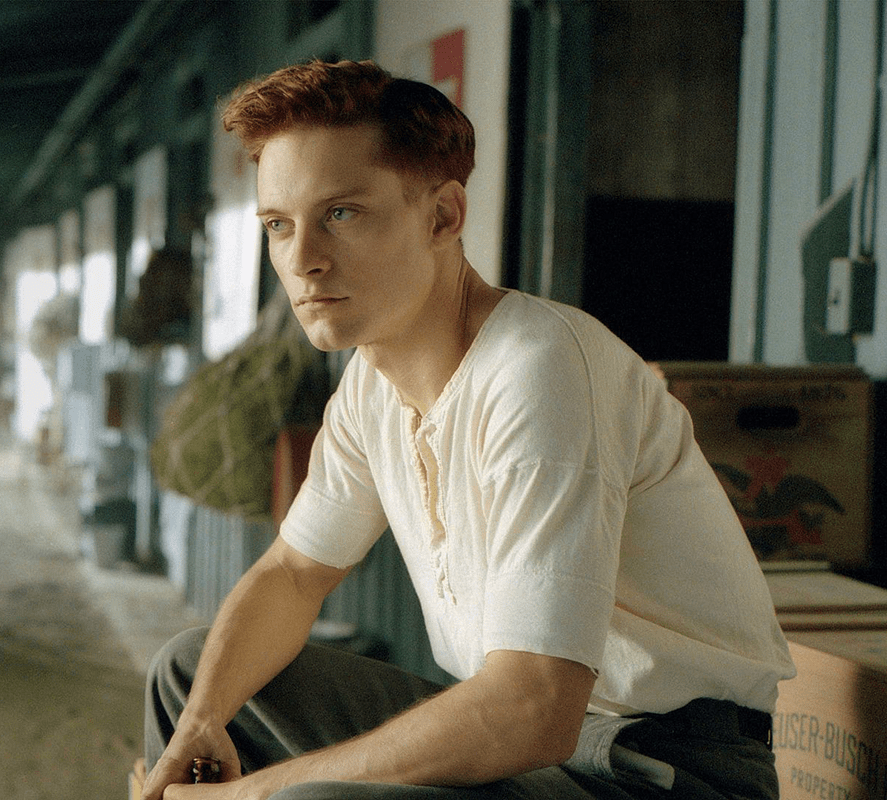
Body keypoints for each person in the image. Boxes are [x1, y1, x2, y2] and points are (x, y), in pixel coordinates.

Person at [142, 60, 795, 800]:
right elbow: (294, 576)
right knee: (194, 677)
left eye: (343, 214)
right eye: (278, 226)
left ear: (444, 216)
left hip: (660, 769)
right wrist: (199, 726)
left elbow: (535, 709)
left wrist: (251, 793)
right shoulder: (370, 385)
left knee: (311, 798)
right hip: (541, 746)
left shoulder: (539, 369)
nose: (303, 260)